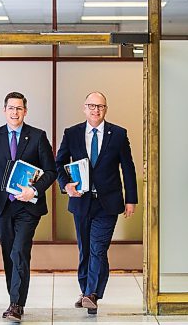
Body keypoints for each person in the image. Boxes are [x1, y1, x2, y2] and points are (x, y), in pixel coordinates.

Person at [0, 91, 56, 321]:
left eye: (19, 108)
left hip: (28, 207)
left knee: (20, 250)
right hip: (2, 207)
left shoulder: (38, 137)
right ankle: (15, 298)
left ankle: (16, 305)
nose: (15, 112)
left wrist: (35, 190)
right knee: (10, 254)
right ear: (4, 110)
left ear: (25, 111)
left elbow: (51, 171)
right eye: (11, 108)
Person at [55, 91, 138, 314]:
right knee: (85, 249)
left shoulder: (118, 134)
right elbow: (59, 163)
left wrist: (131, 199)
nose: (95, 110)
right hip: (81, 201)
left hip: (107, 203)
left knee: (98, 248)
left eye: (100, 106)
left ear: (105, 109)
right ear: (84, 108)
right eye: (91, 106)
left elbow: (128, 168)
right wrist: (66, 185)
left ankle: (92, 293)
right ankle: (85, 291)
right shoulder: (72, 134)